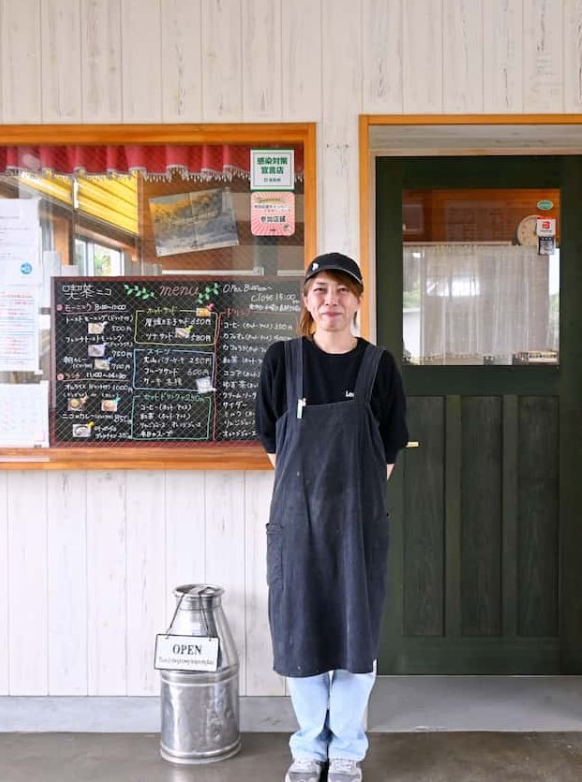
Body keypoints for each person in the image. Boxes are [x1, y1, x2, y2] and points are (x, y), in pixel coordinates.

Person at [255, 252, 408, 782]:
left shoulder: (378, 365)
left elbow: (389, 447)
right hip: (296, 526)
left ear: (358, 301)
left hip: (358, 527)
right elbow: (272, 440)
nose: (331, 301)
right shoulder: (284, 360)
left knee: (354, 639)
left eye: (342, 291)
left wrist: (348, 497)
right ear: (306, 301)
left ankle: (346, 748)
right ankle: (307, 748)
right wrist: (310, 491)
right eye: (320, 290)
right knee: (301, 634)